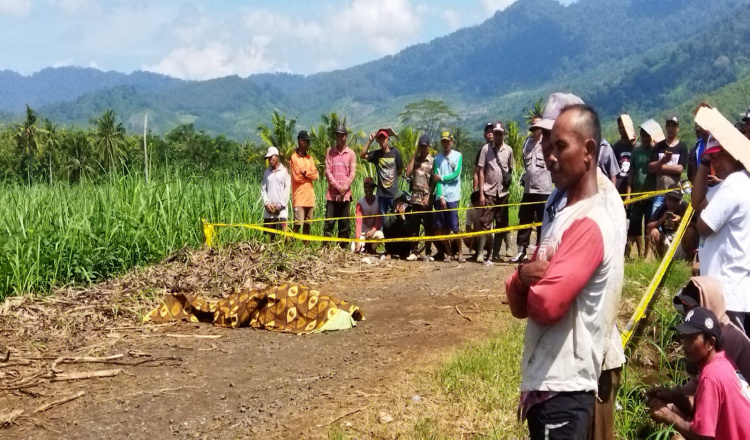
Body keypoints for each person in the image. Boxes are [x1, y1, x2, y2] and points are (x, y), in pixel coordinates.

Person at [506, 99, 626, 440]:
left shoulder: (597, 211)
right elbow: (524, 292)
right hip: (547, 376)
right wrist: (521, 279)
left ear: (587, 149)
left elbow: (548, 302)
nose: (547, 153)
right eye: (545, 141)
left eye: (558, 143)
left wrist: (528, 282)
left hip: (575, 373)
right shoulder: (558, 204)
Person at [647, 307, 750, 440]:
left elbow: (703, 437)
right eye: (685, 338)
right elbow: (701, 411)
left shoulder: (711, 376)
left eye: (691, 339)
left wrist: (668, 416)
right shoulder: (723, 362)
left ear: (710, 343)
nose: (685, 345)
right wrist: (674, 397)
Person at [692, 134, 750, 333]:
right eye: (712, 157)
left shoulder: (735, 184)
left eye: (722, 155)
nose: (717, 162)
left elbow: (703, 225)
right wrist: (704, 164)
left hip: (729, 290)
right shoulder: (728, 185)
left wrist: (702, 218)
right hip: (725, 289)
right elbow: (697, 202)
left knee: (732, 355)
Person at [512, 117, 551, 264]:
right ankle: (522, 250)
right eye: (533, 127)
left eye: (538, 127)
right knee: (525, 219)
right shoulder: (527, 143)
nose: (536, 130)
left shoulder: (548, 141)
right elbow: (526, 164)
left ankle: (541, 251)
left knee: (543, 221)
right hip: (528, 188)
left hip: (544, 188)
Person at [476, 121, 513, 265]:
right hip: (489, 191)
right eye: (495, 133)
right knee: (485, 222)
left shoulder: (509, 150)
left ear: (503, 134)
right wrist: (481, 194)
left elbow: (510, 170)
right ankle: (480, 253)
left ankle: (495, 253)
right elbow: (481, 171)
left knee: (501, 223)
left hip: (503, 193)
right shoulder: (486, 149)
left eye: (500, 134)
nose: (497, 136)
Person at [625, 120, 661, 260]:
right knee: (634, 224)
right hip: (637, 195)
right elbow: (631, 174)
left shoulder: (655, 151)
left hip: (652, 195)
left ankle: (647, 256)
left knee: (648, 225)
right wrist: (628, 195)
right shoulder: (636, 151)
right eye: (642, 134)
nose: (644, 137)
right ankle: (628, 254)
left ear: (651, 136)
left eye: (647, 134)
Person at [433, 130, 464, 263]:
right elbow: (436, 178)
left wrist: (442, 177)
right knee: (442, 227)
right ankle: (449, 253)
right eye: (443, 141)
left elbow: (456, 174)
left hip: (453, 196)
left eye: (447, 141)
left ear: (451, 141)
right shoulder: (437, 159)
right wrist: (440, 196)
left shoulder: (458, 156)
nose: (446, 143)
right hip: (441, 197)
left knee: (455, 227)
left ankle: (461, 253)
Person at [324, 124, 357, 248]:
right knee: (329, 222)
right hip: (332, 195)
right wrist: (338, 186)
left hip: (345, 194)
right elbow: (327, 171)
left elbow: (352, 173)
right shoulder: (330, 152)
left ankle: (343, 249)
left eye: (341, 135)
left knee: (344, 224)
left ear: (346, 137)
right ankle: (326, 248)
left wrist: (344, 187)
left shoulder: (351, 154)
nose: (339, 137)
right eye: (337, 135)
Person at [648, 114, 688, 217]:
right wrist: (662, 161)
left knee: (675, 223)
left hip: (675, 195)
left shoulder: (682, 147)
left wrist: (661, 167)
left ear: (677, 128)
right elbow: (651, 167)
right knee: (656, 221)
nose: (671, 129)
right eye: (668, 125)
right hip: (660, 193)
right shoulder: (658, 146)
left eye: (673, 126)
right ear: (665, 127)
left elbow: (680, 169)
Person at [361, 128, 403, 215]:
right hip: (381, 195)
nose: (382, 141)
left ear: (388, 139)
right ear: (378, 141)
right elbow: (362, 155)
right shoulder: (376, 154)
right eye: (380, 139)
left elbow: (400, 170)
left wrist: (393, 179)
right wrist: (369, 141)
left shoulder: (395, 152)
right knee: (382, 220)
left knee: (394, 218)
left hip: (393, 193)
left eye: (384, 138)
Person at [406, 134, 435, 261]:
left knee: (428, 226)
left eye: (424, 146)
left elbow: (434, 182)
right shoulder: (416, 161)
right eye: (421, 146)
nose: (423, 149)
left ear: (429, 147)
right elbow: (408, 173)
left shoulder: (433, 162)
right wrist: (414, 155)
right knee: (415, 225)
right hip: (415, 198)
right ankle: (414, 250)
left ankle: (428, 252)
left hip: (427, 198)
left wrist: (429, 196)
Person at [290, 130, 320, 240]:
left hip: (309, 197)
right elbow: (296, 177)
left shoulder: (310, 158)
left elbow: (316, 175)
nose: (308, 144)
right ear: (300, 141)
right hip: (299, 197)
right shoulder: (294, 158)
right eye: (306, 142)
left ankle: (306, 249)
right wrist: (309, 174)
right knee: (298, 224)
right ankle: (289, 247)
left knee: (308, 225)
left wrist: (306, 173)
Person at [646, 184, 688, 258]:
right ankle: (660, 259)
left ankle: (688, 261)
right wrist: (662, 219)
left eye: (676, 200)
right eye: (670, 200)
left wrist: (681, 220)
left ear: (680, 201)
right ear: (666, 199)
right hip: (667, 243)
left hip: (682, 244)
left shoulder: (685, 208)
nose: (672, 204)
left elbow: (696, 226)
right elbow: (648, 227)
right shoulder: (661, 208)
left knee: (691, 232)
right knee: (654, 232)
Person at [261, 146, 291, 235]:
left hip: (281, 211)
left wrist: (279, 206)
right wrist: (266, 203)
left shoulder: (284, 171)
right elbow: (263, 189)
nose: (270, 160)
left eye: (271, 157)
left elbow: (287, 190)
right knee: (270, 237)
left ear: (277, 157)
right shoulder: (267, 173)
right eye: (268, 158)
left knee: (284, 235)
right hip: (269, 211)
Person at [354, 177, 383, 254]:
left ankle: (370, 248)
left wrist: (373, 230)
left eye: (370, 187)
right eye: (366, 188)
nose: (368, 190)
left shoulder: (378, 201)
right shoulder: (360, 203)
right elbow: (358, 222)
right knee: (354, 248)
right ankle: (363, 247)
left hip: (374, 231)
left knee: (380, 236)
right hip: (363, 232)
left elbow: (379, 220)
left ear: (373, 188)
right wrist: (357, 239)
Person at [383, 191, 415, 259]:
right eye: (398, 202)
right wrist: (395, 215)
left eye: (402, 202)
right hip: (392, 245)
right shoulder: (390, 212)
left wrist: (403, 218)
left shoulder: (408, 214)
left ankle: (406, 253)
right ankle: (389, 252)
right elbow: (386, 225)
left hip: (404, 247)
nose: (400, 204)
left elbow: (410, 230)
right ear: (394, 203)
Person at [612, 115, 636, 194]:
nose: (622, 130)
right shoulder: (615, 147)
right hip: (619, 186)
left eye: (624, 127)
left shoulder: (637, 147)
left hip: (634, 186)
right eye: (620, 128)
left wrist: (634, 146)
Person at [464, 191, 489, 260]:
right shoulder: (470, 208)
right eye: (474, 204)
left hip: (487, 235)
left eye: (478, 203)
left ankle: (489, 252)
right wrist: (473, 236)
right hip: (476, 234)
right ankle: (478, 251)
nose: (476, 205)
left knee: (487, 236)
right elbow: (467, 227)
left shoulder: (487, 207)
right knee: (466, 238)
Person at [473, 123, 494, 191]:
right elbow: (476, 173)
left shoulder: (501, 150)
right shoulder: (481, 151)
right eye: (488, 132)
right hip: (485, 188)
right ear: (484, 135)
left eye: (492, 132)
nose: (490, 134)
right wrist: (475, 191)